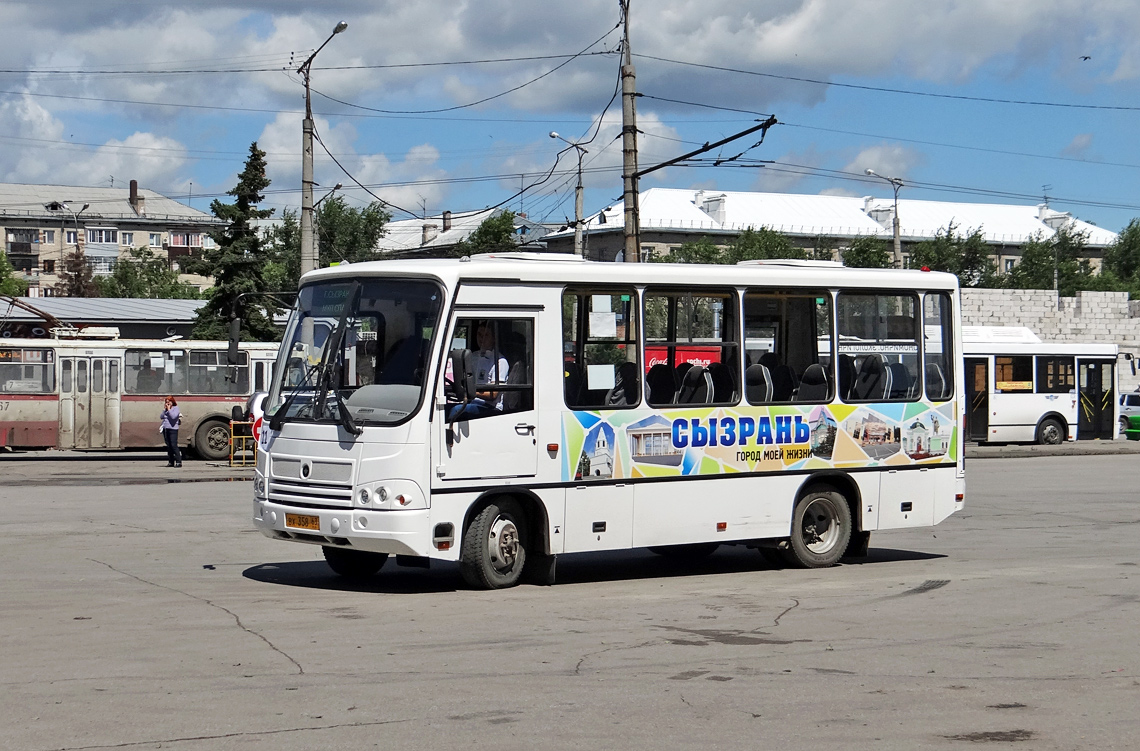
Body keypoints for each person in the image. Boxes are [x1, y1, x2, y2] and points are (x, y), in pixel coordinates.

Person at [450, 321, 509, 420]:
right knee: (443, 409)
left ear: (494, 338)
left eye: (486, 335)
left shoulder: (500, 361)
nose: (481, 338)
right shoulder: (473, 356)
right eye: (479, 334)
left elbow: (493, 394)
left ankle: (449, 434)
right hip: (472, 402)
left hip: (490, 407)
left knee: (456, 410)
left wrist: (470, 392)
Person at [160, 396, 182, 467]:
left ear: (172, 402)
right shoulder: (166, 410)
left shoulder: (176, 409)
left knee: (173, 445)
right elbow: (161, 416)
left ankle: (178, 462)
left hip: (173, 429)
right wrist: (164, 410)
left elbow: (173, 417)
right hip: (166, 428)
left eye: (169, 402)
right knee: (169, 446)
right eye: (166, 402)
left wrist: (169, 410)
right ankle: (171, 462)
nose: (167, 403)